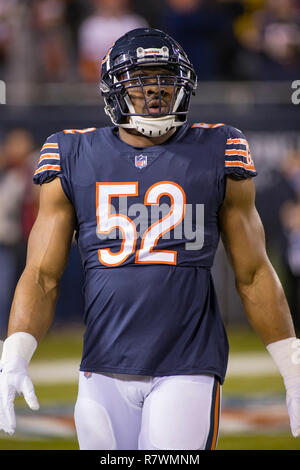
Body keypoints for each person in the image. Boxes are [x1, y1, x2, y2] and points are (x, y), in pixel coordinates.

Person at [0, 27, 299, 450]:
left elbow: (252, 272)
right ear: (114, 89)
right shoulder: (72, 154)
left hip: (188, 364)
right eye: (142, 80)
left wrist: (292, 366)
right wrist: (15, 352)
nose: (157, 90)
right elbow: (42, 275)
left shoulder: (217, 147)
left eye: (165, 77)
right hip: (102, 367)